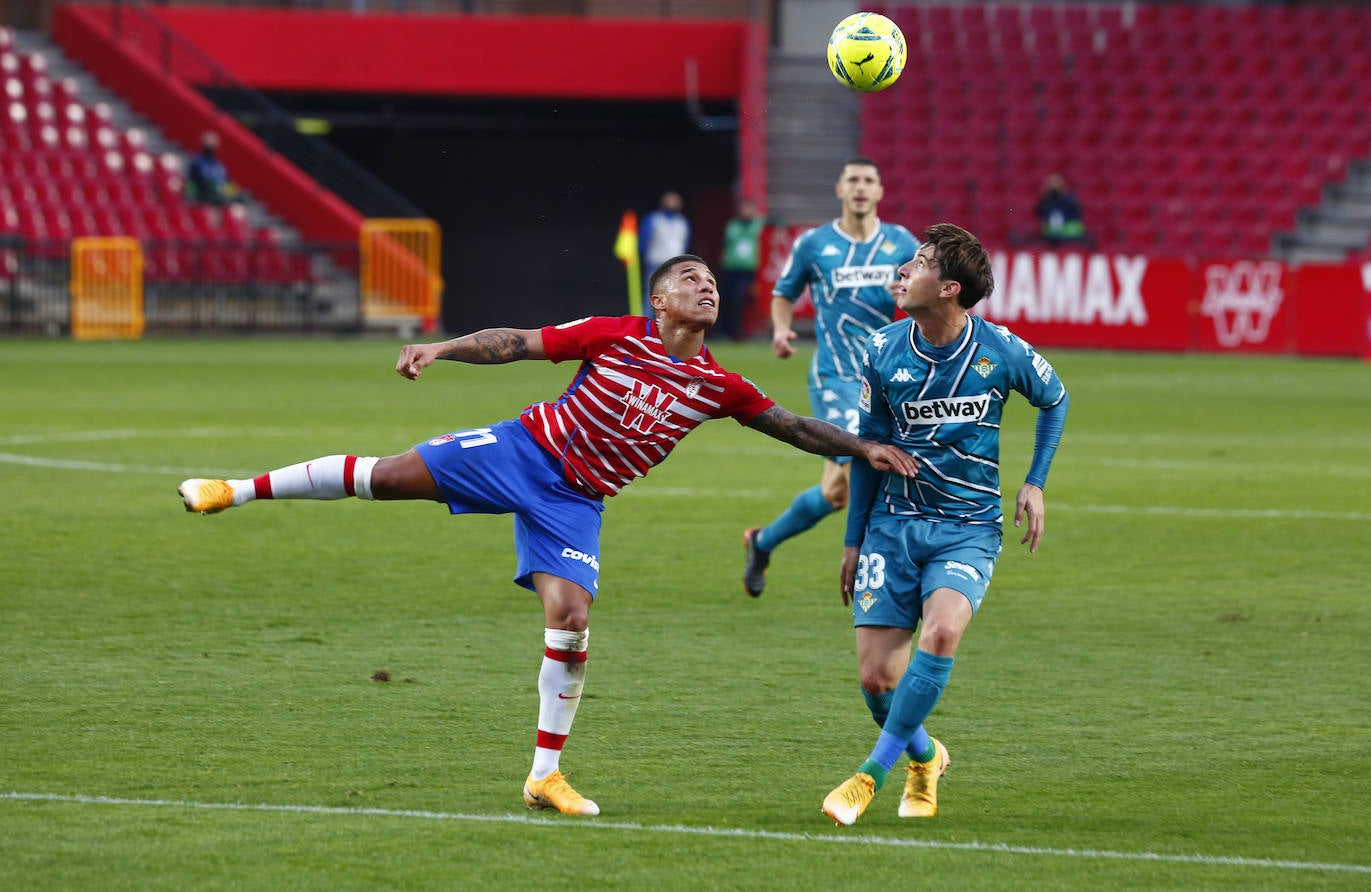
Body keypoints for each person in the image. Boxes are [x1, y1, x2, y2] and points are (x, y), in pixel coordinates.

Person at [177, 254, 919, 817]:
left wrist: (862, 449)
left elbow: (790, 425)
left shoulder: (720, 386)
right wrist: (440, 349)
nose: (706, 288)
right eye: (690, 280)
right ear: (658, 299)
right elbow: (518, 343)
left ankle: (543, 776)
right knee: (389, 476)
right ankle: (232, 489)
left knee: (571, 619)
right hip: (522, 450)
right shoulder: (613, 335)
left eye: (711, 283)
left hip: (576, 501)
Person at [820, 223, 1069, 826]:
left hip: (967, 529)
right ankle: (925, 758)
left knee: (941, 636)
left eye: (919, 264)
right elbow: (869, 451)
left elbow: (1054, 398)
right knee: (877, 680)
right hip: (892, 527)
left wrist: (1034, 481)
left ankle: (869, 776)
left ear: (950, 288)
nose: (903, 272)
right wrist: (853, 541)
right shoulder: (882, 350)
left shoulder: (1000, 350)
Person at [741, 157, 918, 597]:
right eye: (852, 180)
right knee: (863, 458)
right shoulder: (814, 244)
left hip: (887, 378)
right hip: (836, 377)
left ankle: (762, 542)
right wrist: (782, 329)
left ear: (880, 191)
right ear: (839, 190)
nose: (860, 187)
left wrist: (909, 294)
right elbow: (783, 294)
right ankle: (878, 569)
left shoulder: (901, 242)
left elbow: (929, 296)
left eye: (868, 180)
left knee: (837, 491)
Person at [716, 198, 766, 340]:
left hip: (749, 270)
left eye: (749, 209)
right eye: (744, 209)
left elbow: (776, 222)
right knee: (728, 299)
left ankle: (743, 331)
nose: (746, 212)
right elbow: (725, 245)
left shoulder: (757, 224)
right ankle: (726, 331)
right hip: (731, 268)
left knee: (745, 300)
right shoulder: (733, 225)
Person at [638, 191, 690, 314]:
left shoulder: (682, 222)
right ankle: (645, 326)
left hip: (676, 266)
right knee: (651, 296)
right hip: (656, 264)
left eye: (675, 200)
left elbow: (685, 243)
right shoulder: (653, 219)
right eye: (670, 200)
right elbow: (643, 242)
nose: (672, 203)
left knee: (674, 297)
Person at [184, 131, 238, 206]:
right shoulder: (196, 162)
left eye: (213, 143)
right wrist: (191, 196)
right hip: (204, 197)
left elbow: (227, 182)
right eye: (208, 143)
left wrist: (233, 191)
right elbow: (191, 184)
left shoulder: (219, 165)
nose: (211, 146)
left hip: (219, 196)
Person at [1034, 173, 1087, 246]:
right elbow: (1038, 214)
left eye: (1056, 185)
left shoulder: (1070, 200)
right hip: (1050, 236)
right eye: (1051, 185)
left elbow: (1078, 215)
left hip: (1070, 236)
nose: (1054, 188)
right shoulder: (1045, 202)